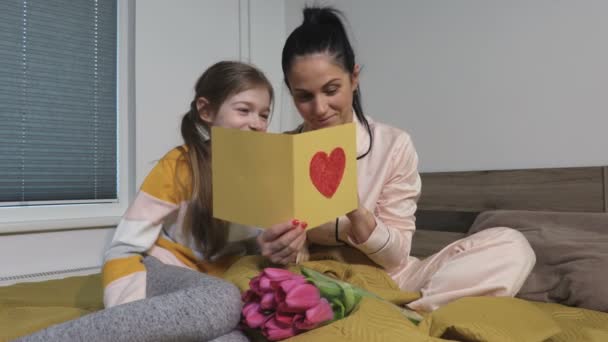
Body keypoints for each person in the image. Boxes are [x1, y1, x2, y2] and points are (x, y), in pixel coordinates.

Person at [257, 6, 536, 312]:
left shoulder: (393, 145)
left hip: (392, 279)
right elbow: (276, 249)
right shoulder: (280, 151)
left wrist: (358, 214)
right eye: (304, 96)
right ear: (291, 93)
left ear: (354, 78)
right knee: (250, 270)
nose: (320, 108)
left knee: (512, 246)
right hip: (316, 281)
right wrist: (283, 249)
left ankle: (409, 313)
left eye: (331, 90)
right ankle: (401, 312)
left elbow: (396, 257)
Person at [17, 61, 275, 342]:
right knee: (224, 299)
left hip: (216, 284)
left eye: (264, 115)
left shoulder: (257, 174)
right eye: (244, 110)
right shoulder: (180, 165)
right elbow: (124, 248)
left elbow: (249, 242)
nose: (256, 124)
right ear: (206, 111)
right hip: (166, 271)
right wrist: (128, 311)